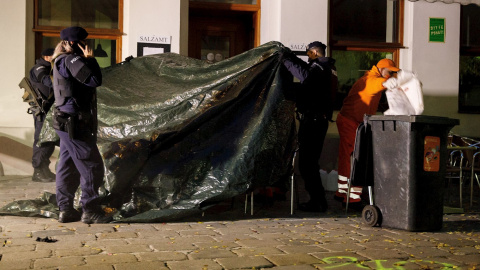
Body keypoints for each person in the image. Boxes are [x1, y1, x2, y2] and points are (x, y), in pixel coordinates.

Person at [51, 26, 112, 224]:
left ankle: (65, 210)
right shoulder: (72, 59)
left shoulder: (59, 60)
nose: (86, 45)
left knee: (67, 165)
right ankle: (90, 210)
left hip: (64, 121)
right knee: (92, 165)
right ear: (71, 43)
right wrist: (90, 60)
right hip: (74, 122)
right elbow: (94, 80)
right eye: (82, 42)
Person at [334, 58, 399, 209]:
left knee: (347, 157)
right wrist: (387, 83)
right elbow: (376, 85)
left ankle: (343, 192)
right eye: (390, 72)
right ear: (382, 70)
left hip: (352, 120)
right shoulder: (372, 80)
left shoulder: (371, 78)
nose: (390, 76)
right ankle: (353, 198)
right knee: (356, 158)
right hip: (351, 121)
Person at [281, 41, 338, 212]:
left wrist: (285, 60)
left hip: (313, 122)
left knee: (307, 164)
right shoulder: (327, 68)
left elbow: (304, 74)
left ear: (314, 52)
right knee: (309, 163)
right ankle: (318, 200)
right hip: (317, 121)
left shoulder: (320, 68)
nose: (307, 57)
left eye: (308, 54)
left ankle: (318, 202)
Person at [29, 48, 56, 182]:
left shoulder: (50, 68)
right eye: (54, 56)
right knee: (41, 140)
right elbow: (47, 81)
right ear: (47, 57)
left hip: (49, 110)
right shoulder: (39, 68)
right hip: (42, 111)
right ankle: (38, 171)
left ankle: (45, 170)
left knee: (49, 140)